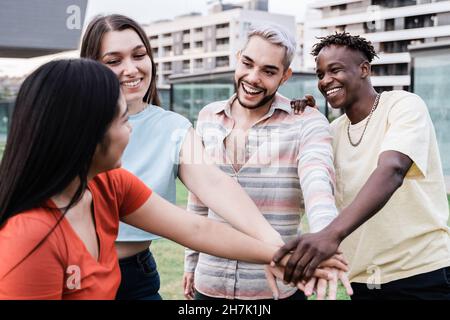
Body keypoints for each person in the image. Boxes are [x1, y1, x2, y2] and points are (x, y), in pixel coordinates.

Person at [0, 58, 322, 300]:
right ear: (86, 133)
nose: (131, 130)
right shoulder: (29, 239)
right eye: (125, 120)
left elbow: (198, 229)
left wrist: (282, 256)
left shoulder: (108, 186)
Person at [80, 14, 287, 300]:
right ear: (91, 66)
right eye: (114, 61)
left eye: (139, 55)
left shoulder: (172, 127)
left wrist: (275, 245)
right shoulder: (71, 123)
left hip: (135, 276)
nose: (131, 69)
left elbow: (213, 184)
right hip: (72, 271)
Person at [183, 24, 352, 301]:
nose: (253, 78)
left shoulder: (306, 122)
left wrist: (325, 238)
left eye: (269, 71)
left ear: (285, 76)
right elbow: (198, 199)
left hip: (278, 289)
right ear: (238, 58)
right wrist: (192, 262)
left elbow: (318, 184)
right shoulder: (207, 117)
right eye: (247, 63)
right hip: (208, 284)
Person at [279, 32, 450, 300]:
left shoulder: (403, 105)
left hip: (420, 274)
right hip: (364, 280)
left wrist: (330, 235)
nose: (325, 81)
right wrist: (303, 121)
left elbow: (393, 169)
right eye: (321, 74)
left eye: (335, 70)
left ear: (364, 69)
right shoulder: (332, 132)